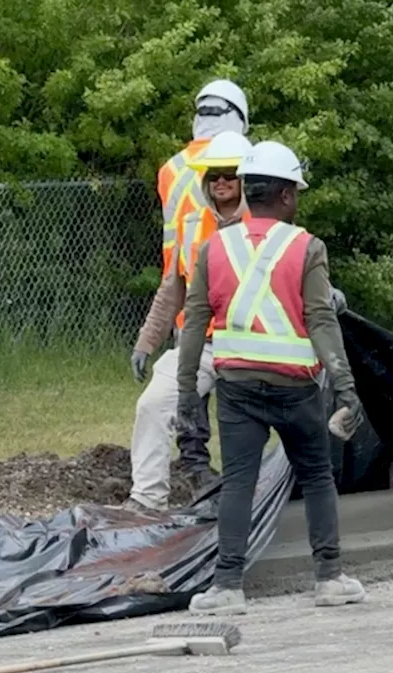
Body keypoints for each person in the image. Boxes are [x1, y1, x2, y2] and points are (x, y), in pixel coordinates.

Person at [176, 140, 366, 614]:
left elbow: (195, 321)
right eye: (296, 192)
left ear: (246, 192)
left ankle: (227, 587)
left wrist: (186, 392)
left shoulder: (213, 248)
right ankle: (328, 577)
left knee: (239, 480)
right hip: (295, 388)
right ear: (284, 196)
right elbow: (321, 320)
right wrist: (345, 387)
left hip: (236, 386)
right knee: (318, 476)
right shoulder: (306, 247)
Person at [123, 81, 250, 512]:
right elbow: (172, 283)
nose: (221, 181)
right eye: (215, 175)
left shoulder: (265, 220)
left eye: (230, 174)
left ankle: (257, 490)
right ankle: (147, 503)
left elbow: (297, 264)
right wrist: (146, 340)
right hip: (201, 341)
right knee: (156, 404)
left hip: (255, 347)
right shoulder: (197, 229)